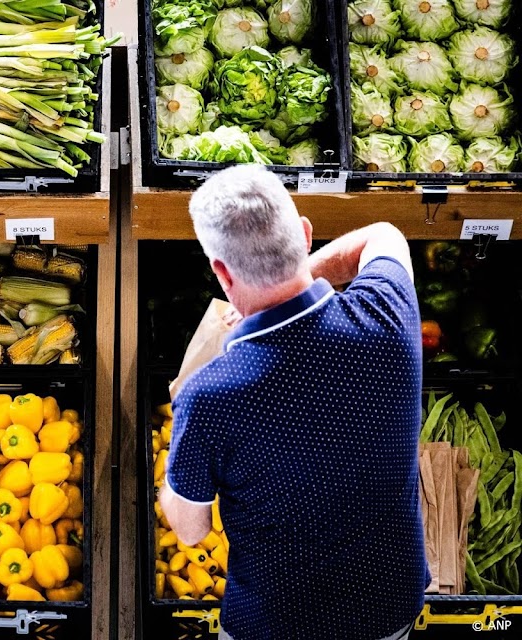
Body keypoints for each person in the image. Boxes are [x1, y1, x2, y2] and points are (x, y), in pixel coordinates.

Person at [159, 165, 429, 640]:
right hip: (388, 609)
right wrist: (299, 271)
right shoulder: (389, 314)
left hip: (275, 623)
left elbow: (190, 530)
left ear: (221, 272)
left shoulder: (210, 395)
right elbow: (383, 234)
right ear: (304, 233)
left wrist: (176, 473)